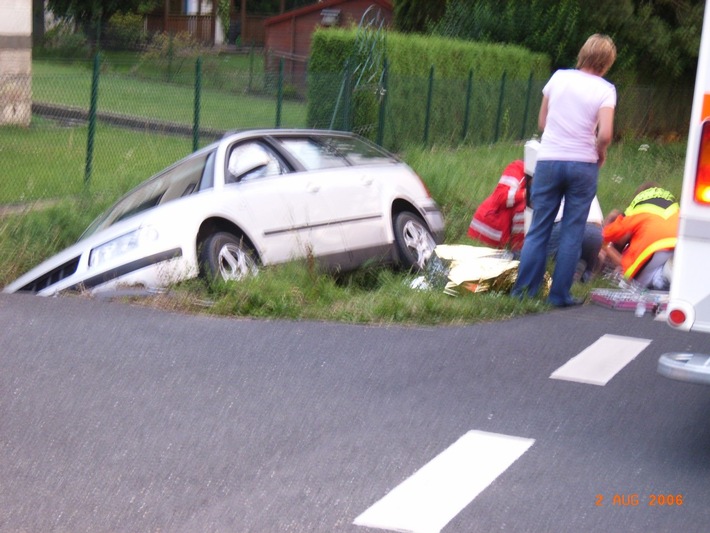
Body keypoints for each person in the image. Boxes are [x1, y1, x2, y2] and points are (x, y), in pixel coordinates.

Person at [511, 34, 617, 307]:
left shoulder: (558, 78)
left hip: (549, 160)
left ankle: (524, 292)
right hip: (583, 164)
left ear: (583, 53)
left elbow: (543, 121)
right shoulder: (606, 90)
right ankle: (559, 295)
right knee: (572, 230)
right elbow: (605, 134)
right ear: (606, 63)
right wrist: (599, 151)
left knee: (539, 228)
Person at [602, 183, 679, 290]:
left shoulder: (638, 207)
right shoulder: (672, 205)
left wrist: (605, 244)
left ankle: (659, 279)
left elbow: (613, 231)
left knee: (631, 280)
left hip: (652, 249)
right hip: (677, 246)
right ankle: (665, 274)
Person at [467, 160, 527, 254]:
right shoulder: (518, 168)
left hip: (503, 238)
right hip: (487, 231)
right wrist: (525, 194)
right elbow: (501, 197)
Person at [547, 196, 604, 283]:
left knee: (547, 257)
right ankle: (584, 273)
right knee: (586, 264)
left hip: (568, 225)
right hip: (596, 233)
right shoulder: (587, 185)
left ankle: (569, 269)